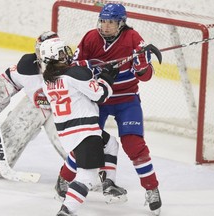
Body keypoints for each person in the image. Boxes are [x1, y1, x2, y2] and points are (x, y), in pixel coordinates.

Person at [55, 3, 162, 215]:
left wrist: (141, 63)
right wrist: (97, 66)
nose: (105, 26)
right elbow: (75, 67)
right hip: (99, 100)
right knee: (85, 143)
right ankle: (63, 179)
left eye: (110, 22)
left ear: (121, 23)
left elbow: (146, 76)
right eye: (103, 21)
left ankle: (152, 188)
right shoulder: (91, 38)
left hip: (127, 99)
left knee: (134, 145)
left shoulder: (133, 38)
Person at [40, 37, 121, 216]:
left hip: (68, 133)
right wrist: (108, 76)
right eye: (62, 52)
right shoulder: (75, 74)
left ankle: (110, 184)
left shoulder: (47, 81)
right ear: (56, 56)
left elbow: (77, 83)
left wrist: (92, 73)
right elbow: (100, 95)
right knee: (87, 177)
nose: (66, 54)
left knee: (111, 143)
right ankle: (67, 210)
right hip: (85, 131)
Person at [0, 31, 67, 178]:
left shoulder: (69, 67)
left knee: (64, 138)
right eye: (38, 49)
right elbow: (9, 80)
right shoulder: (28, 65)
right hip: (36, 105)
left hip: (63, 108)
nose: (40, 54)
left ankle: (86, 171)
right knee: (18, 124)